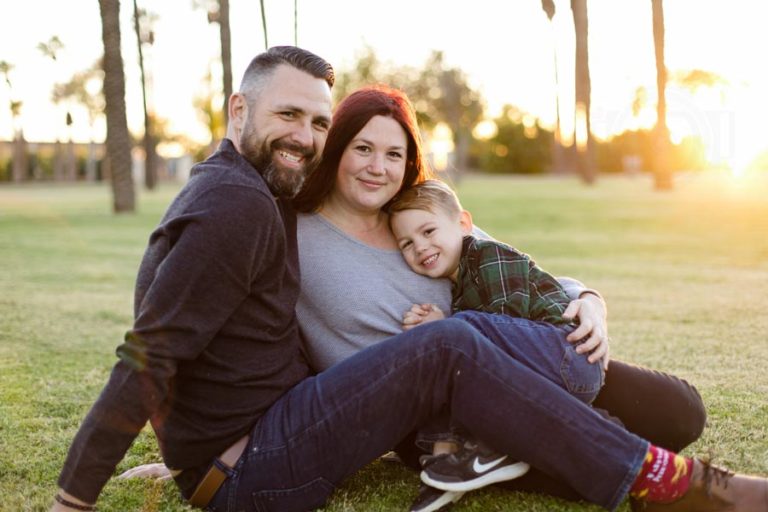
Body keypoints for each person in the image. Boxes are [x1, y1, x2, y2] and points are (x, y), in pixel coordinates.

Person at [50, 47, 767, 512]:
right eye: (289, 115)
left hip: (272, 441)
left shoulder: (257, 191)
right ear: (239, 111)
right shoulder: (241, 206)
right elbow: (151, 350)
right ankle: (679, 485)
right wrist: (75, 498)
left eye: (316, 122)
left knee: (663, 405)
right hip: (260, 468)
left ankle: (570, 447)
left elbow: (214, 329)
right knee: (449, 344)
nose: (305, 134)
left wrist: (586, 299)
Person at [386, 178, 605, 501]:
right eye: (406, 243)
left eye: (428, 231)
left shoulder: (489, 257)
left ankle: (491, 449)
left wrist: (445, 326)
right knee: (449, 371)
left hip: (570, 353)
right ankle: (446, 463)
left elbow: (500, 336)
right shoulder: (459, 286)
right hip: (551, 372)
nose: (419, 246)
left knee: (459, 338)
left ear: (463, 224)